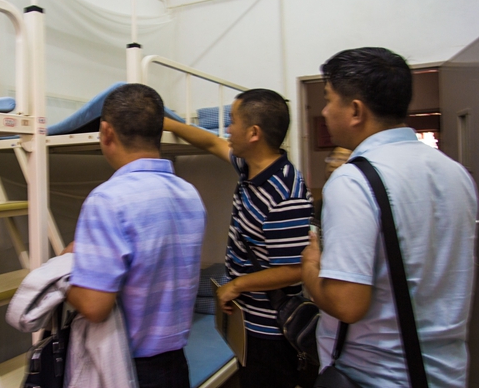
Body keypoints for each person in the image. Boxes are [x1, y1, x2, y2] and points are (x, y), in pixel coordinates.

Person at [302, 47, 477, 387]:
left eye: (328, 100)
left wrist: (310, 268)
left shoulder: (354, 181)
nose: (324, 111)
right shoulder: (455, 173)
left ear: (355, 110)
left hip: (376, 376)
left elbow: (347, 303)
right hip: (446, 373)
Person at [164, 89, 313, 388]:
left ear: (254, 133)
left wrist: (235, 285)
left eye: (232, 121)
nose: (228, 129)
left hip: (270, 331)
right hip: (248, 322)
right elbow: (210, 142)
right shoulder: (249, 167)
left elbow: (295, 269)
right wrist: (168, 124)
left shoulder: (286, 194)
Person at [65, 83, 207, 388]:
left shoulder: (107, 199)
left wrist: (65, 269)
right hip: (175, 365)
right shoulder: (189, 194)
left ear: (106, 132)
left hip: (127, 369)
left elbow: (94, 307)